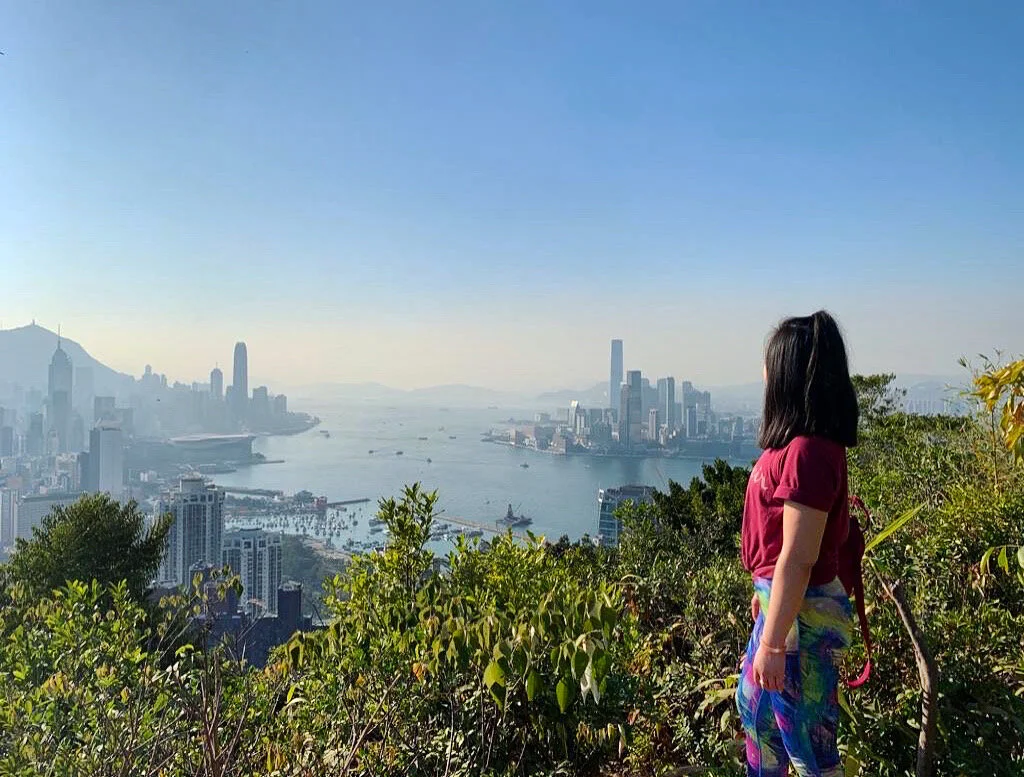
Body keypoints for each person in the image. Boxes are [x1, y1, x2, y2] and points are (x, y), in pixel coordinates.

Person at [735, 310, 859, 777]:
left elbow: (799, 555)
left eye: (771, 361)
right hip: (782, 609)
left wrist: (771, 640)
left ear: (788, 370)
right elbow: (776, 548)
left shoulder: (808, 451)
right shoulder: (790, 447)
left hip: (800, 619)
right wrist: (764, 594)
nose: (764, 371)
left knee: (807, 746)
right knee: (758, 714)